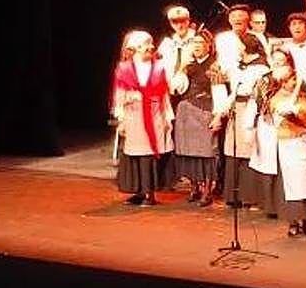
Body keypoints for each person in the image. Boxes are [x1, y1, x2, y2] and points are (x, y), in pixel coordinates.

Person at [249, 51, 306, 237]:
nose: (295, 82)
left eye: (295, 78)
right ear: (284, 82)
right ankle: (293, 222)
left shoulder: (304, 95)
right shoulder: (276, 99)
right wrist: (294, 96)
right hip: (291, 147)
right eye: (292, 79)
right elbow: (287, 112)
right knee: (294, 186)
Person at [113, 30, 174, 205]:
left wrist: (168, 117)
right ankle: (138, 190)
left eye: (151, 44)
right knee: (134, 152)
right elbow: (120, 94)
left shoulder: (159, 67)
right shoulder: (124, 68)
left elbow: (164, 94)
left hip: (154, 113)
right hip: (133, 114)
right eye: (146, 44)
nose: (151, 47)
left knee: (149, 153)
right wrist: (121, 117)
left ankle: (149, 192)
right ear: (137, 48)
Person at [170, 32, 227, 206]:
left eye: (201, 42)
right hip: (186, 112)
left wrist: (218, 116)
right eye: (194, 42)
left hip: (205, 110)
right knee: (188, 151)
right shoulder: (188, 65)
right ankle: (194, 187)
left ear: (209, 46)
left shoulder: (215, 66)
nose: (197, 45)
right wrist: (181, 68)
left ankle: (207, 191)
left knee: (207, 152)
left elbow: (220, 93)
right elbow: (175, 89)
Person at [221, 33, 271, 209]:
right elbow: (234, 91)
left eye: (238, 46)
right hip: (237, 109)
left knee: (249, 151)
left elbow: (256, 93)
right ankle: (233, 195)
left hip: (251, 110)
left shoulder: (261, 69)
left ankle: (251, 196)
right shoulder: (239, 67)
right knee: (234, 150)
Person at [156, 5, 196, 82]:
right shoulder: (167, 43)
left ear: (188, 21)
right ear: (170, 23)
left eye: (182, 21)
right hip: (171, 84)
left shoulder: (198, 39)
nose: (179, 26)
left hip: (194, 83)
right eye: (175, 22)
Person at [214, 4, 253, 78]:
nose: (237, 19)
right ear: (229, 20)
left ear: (248, 19)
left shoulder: (257, 37)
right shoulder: (222, 38)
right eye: (233, 16)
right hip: (226, 80)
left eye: (240, 16)